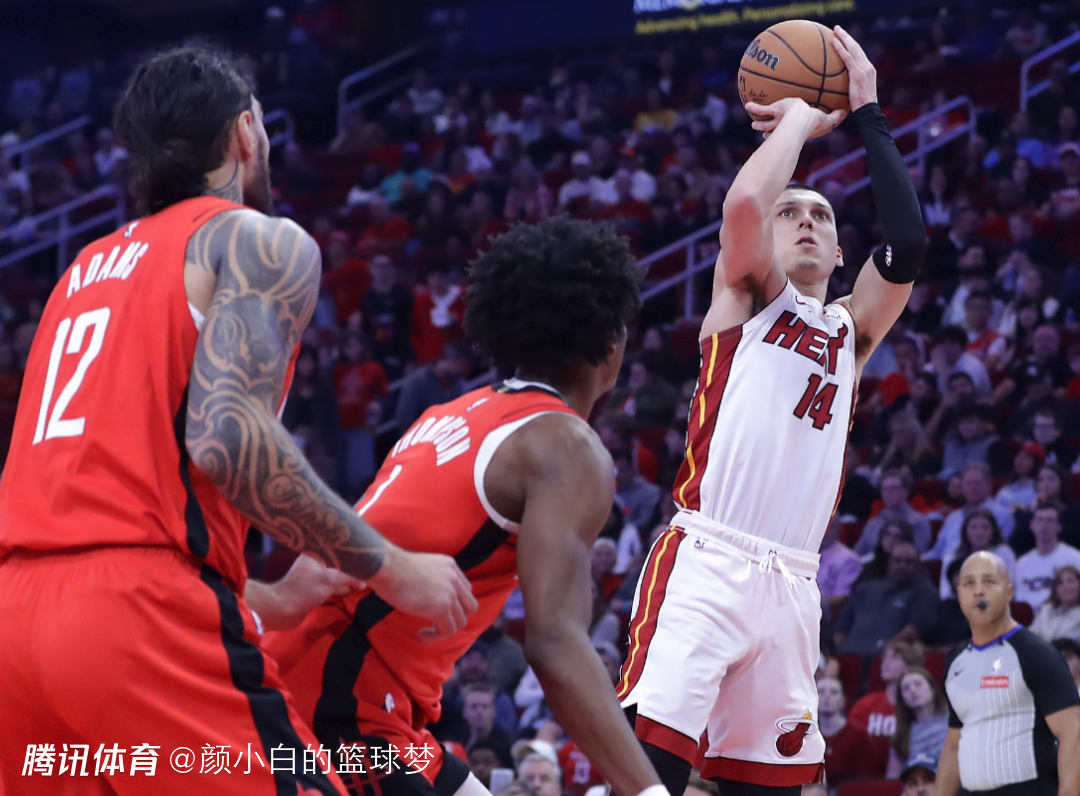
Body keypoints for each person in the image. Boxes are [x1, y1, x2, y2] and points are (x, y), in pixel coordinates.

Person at [0, 47, 475, 796]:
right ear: (246, 132)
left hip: (16, 627)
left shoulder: (77, 275)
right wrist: (392, 566)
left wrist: (272, 601)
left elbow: (92, 526)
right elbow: (225, 438)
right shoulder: (253, 239)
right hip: (136, 622)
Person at [616, 28, 927, 793]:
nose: (807, 221)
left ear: (841, 252)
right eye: (792, 214)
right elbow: (745, 204)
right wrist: (797, 120)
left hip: (794, 584)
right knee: (650, 773)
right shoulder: (747, 297)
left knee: (768, 786)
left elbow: (909, 242)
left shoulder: (852, 330)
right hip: (709, 559)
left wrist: (868, 114)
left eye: (822, 216)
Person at [263, 217, 669, 796]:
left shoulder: (448, 414)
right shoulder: (565, 445)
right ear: (611, 342)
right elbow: (555, 642)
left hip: (345, 692)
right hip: (335, 709)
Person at [937, 551, 1080, 796]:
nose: (978, 591)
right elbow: (953, 746)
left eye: (989, 581)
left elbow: (1073, 734)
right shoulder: (955, 663)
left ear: (1009, 592)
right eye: (969, 583)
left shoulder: (1037, 653)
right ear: (959, 594)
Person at [835, 543, 940, 658]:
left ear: (919, 566)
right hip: (849, 652)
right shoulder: (865, 589)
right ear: (889, 563)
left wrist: (885, 648)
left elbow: (914, 630)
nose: (902, 565)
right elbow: (841, 627)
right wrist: (841, 649)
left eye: (909, 562)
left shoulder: (926, 593)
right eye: (897, 560)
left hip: (888, 655)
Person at [847, 641, 926, 773]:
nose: (885, 662)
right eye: (885, 657)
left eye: (895, 658)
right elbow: (851, 743)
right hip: (866, 774)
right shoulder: (865, 704)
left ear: (911, 665)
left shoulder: (919, 706)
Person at [928, 463, 1014, 561]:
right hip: (949, 565)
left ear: (989, 485)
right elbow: (937, 552)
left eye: (977, 483)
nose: (973, 487)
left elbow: (999, 550)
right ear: (963, 487)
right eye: (969, 483)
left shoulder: (1002, 514)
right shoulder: (953, 517)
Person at [393, 340, 473, 433]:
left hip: (450, 433)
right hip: (421, 435)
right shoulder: (417, 381)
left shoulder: (458, 383)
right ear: (451, 360)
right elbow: (405, 418)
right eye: (464, 365)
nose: (466, 370)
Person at [938, 508, 1018, 600]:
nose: (979, 532)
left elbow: (1010, 586)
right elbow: (945, 593)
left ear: (993, 531)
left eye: (985, 527)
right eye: (974, 527)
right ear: (965, 531)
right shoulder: (952, 558)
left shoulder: (1004, 553)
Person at [886, 668, 949, 778]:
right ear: (902, 699)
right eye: (906, 688)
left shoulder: (954, 721)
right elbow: (892, 778)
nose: (912, 690)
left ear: (932, 689)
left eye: (918, 684)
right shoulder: (902, 733)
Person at [816, 676, 878, 784]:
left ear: (843, 700)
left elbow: (867, 779)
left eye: (833, 692)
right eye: (821, 692)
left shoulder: (858, 734)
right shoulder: (804, 734)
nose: (827, 696)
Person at [1015, 506, 1080, 609]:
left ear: (1059, 527)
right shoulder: (1022, 563)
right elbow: (1020, 597)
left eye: (1050, 520)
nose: (1044, 525)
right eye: (1040, 519)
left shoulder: (1074, 558)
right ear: (1032, 525)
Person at [856, 470, 932, 556]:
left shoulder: (918, 522)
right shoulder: (873, 524)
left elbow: (917, 553)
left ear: (906, 491)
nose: (888, 493)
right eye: (885, 489)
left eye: (894, 488)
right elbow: (857, 553)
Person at [1030, 565, 1080, 641]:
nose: (1065, 586)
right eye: (1060, 583)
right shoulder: (1046, 610)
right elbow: (1031, 635)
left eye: (1070, 581)